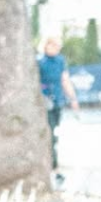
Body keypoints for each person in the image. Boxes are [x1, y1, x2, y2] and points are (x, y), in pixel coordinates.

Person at [36, 35, 66, 181]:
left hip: (57, 101)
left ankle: (54, 166)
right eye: (51, 45)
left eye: (56, 45)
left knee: (55, 134)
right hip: (45, 102)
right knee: (50, 136)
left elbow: (64, 79)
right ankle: (54, 167)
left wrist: (72, 98)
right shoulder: (39, 61)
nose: (54, 48)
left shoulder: (60, 60)